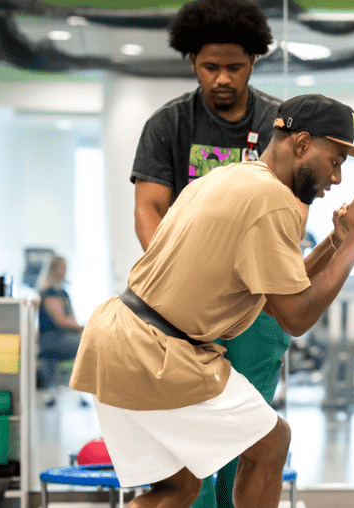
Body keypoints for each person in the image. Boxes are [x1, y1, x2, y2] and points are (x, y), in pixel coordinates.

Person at [70, 93, 354, 507]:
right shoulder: (273, 202)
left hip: (115, 339)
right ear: (303, 144)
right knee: (273, 443)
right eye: (336, 160)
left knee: (176, 489)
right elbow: (294, 317)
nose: (338, 178)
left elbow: (274, 297)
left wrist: (332, 243)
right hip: (160, 352)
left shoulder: (232, 177)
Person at [128, 1, 288, 505]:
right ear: (192, 60)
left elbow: (290, 211)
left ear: (254, 62)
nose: (222, 78)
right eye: (210, 67)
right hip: (185, 308)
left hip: (258, 306)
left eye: (234, 67)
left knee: (249, 427)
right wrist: (182, 280)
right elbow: (148, 207)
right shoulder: (169, 125)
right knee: (192, 430)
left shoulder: (278, 125)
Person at [36, 255, 83, 396]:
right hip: (51, 339)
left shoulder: (63, 293)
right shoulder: (49, 293)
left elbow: (72, 319)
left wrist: (81, 329)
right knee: (90, 346)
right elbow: (61, 320)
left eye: (66, 267)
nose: (65, 271)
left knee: (89, 342)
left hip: (64, 336)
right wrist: (82, 328)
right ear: (53, 269)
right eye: (63, 267)